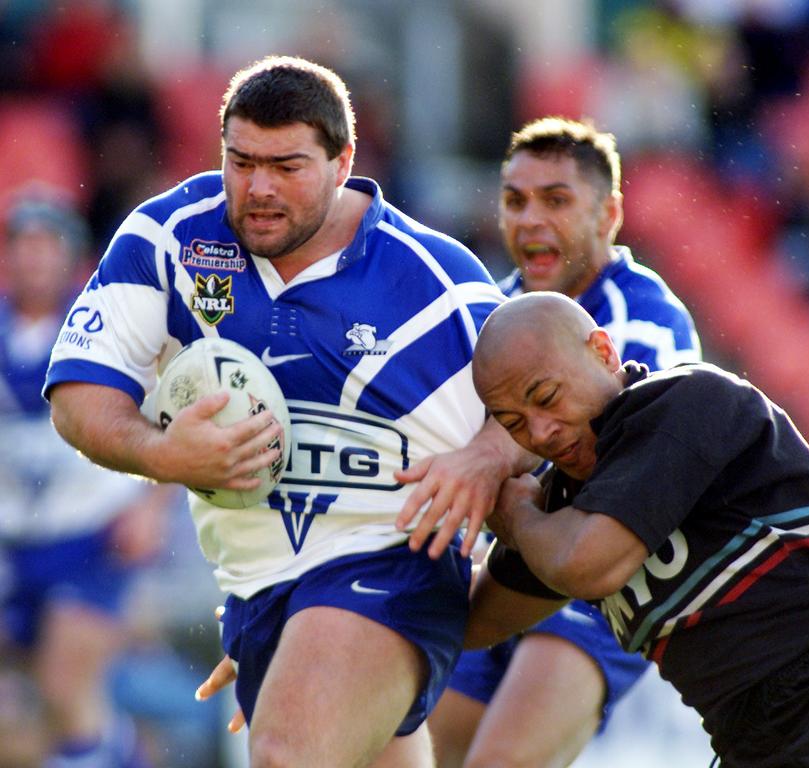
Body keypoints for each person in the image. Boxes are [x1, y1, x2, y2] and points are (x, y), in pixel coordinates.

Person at [44, 55, 532, 768]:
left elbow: (545, 409)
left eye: (287, 167)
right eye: (240, 163)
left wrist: (486, 455)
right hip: (258, 594)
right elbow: (79, 395)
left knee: (283, 755)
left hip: (391, 571)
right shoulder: (170, 239)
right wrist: (159, 454)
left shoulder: (435, 280)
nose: (259, 188)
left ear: (344, 162)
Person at [466, 291, 809, 768]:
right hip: (757, 745)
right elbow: (472, 622)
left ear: (604, 351)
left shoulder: (684, 401)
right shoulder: (559, 512)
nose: (540, 432)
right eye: (513, 425)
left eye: (546, 398)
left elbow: (583, 564)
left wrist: (512, 512)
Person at [428, 116, 702, 768]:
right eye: (516, 200)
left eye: (556, 199)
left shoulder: (645, 324)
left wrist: (486, 457)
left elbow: (575, 441)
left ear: (608, 215)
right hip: (507, 565)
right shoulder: (488, 311)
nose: (529, 220)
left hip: (604, 584)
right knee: (403, 751)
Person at [0, 191, 175, 768]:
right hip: (16, 543)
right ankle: (125, 754)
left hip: (95, 538)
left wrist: (153, 507)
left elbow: (169, 413)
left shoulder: (102, 329)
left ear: (72, 258)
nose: (32, 262)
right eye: (22, 249)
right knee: (22, 712)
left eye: (45, 249)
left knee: (64, 682)